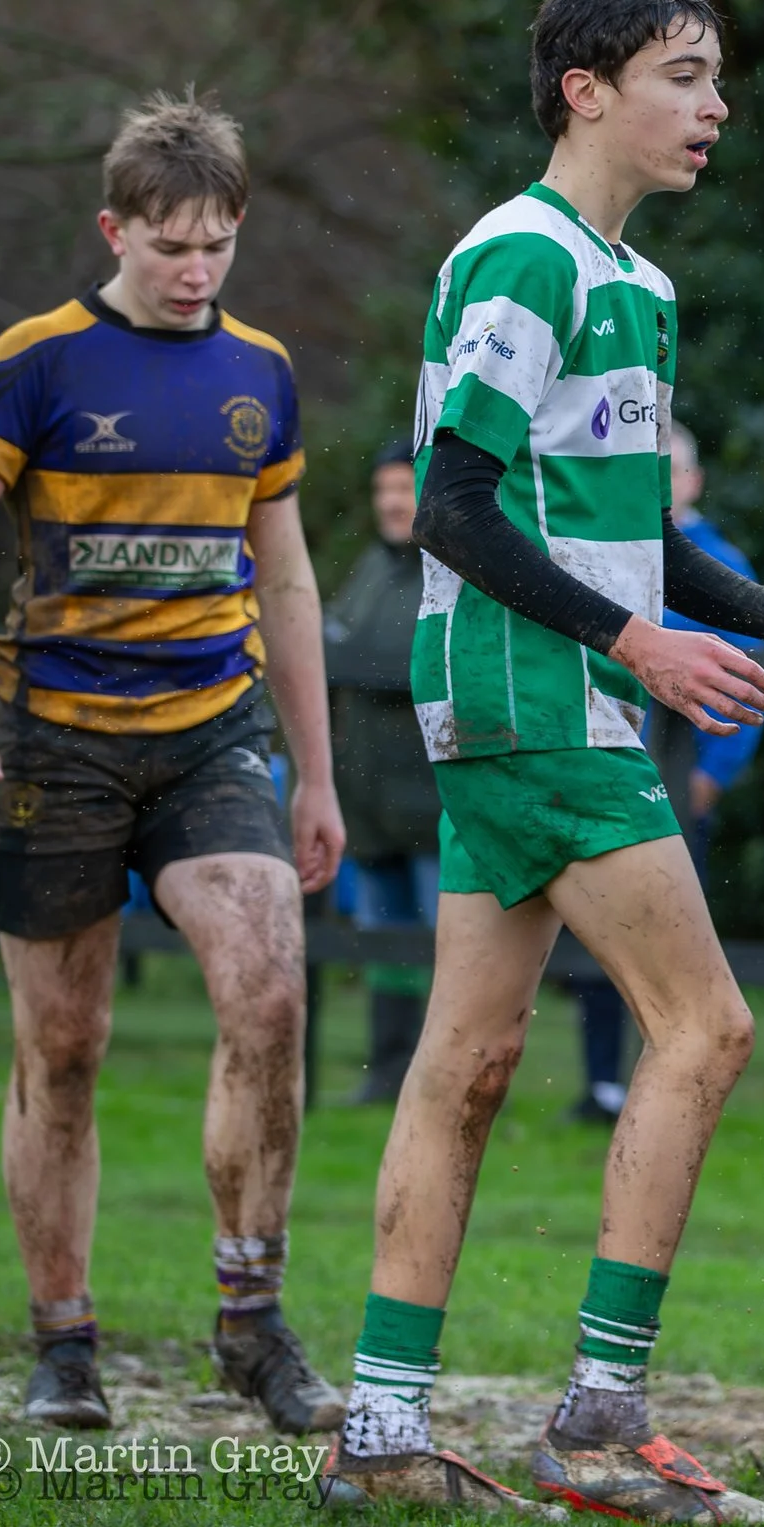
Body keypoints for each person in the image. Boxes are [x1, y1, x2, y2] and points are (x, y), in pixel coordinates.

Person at [318, 0, 764, 1524]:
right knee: (706, 1028)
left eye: (715, 79)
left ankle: (380, 1429)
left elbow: (639, 533)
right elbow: (454, 507)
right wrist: (632, 645)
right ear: (586, 90)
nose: (716, 107)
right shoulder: (524, 256)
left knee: (466, 1062)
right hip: (536, 701)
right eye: (684, 76)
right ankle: (598, 1423)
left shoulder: (633, 284)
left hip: (532, 699)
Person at [0, 92, 349, 1435]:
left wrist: (318, 774)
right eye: (170, 246)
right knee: (66, 1045)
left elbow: (286, 578)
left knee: (269, 991)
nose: (196, 269)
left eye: (218, 244)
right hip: (56, 740)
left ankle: (252, 1321)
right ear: (115, 231)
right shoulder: (35, 360)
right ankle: (65, 1341)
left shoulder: (261, 370)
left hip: (212, 732)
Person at [565, 418, 764, 1125]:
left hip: (675, 782)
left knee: (672, 941)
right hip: (600, 771)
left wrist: (713, 774)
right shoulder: (605, 550)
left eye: (672, 469)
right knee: (600, 932)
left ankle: (670, 1082)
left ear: (694, 480)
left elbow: (749, 683)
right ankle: (601, 1082)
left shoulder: (721, 566)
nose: (662, 481)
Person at [326, 439, 442, 1103]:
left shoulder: (452, 570)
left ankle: (444, 1077)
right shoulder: (371, 567)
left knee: (447, 949)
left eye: (404, 488)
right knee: (385, 947)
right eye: (383, 491)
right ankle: (389, 1070)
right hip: (370, 809)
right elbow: (332, 642)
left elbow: (402, 655)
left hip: (435, 805)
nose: (393, 503)